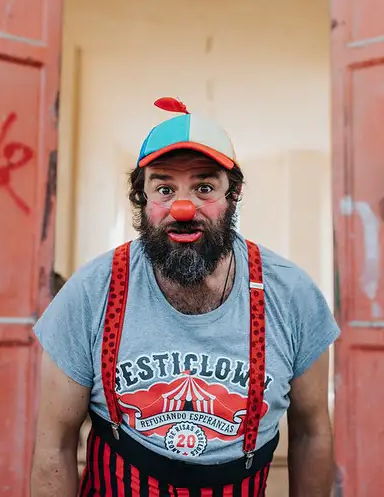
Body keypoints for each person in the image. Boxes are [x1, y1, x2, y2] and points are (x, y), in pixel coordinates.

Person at [31, 97, 340, 497]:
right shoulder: (90, 294)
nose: (182, 208)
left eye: (204, 187)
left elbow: (312, 435)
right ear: (142, 198)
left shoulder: (293, 296)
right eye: (164, 188)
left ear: (234, 195)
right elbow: (54, 445)